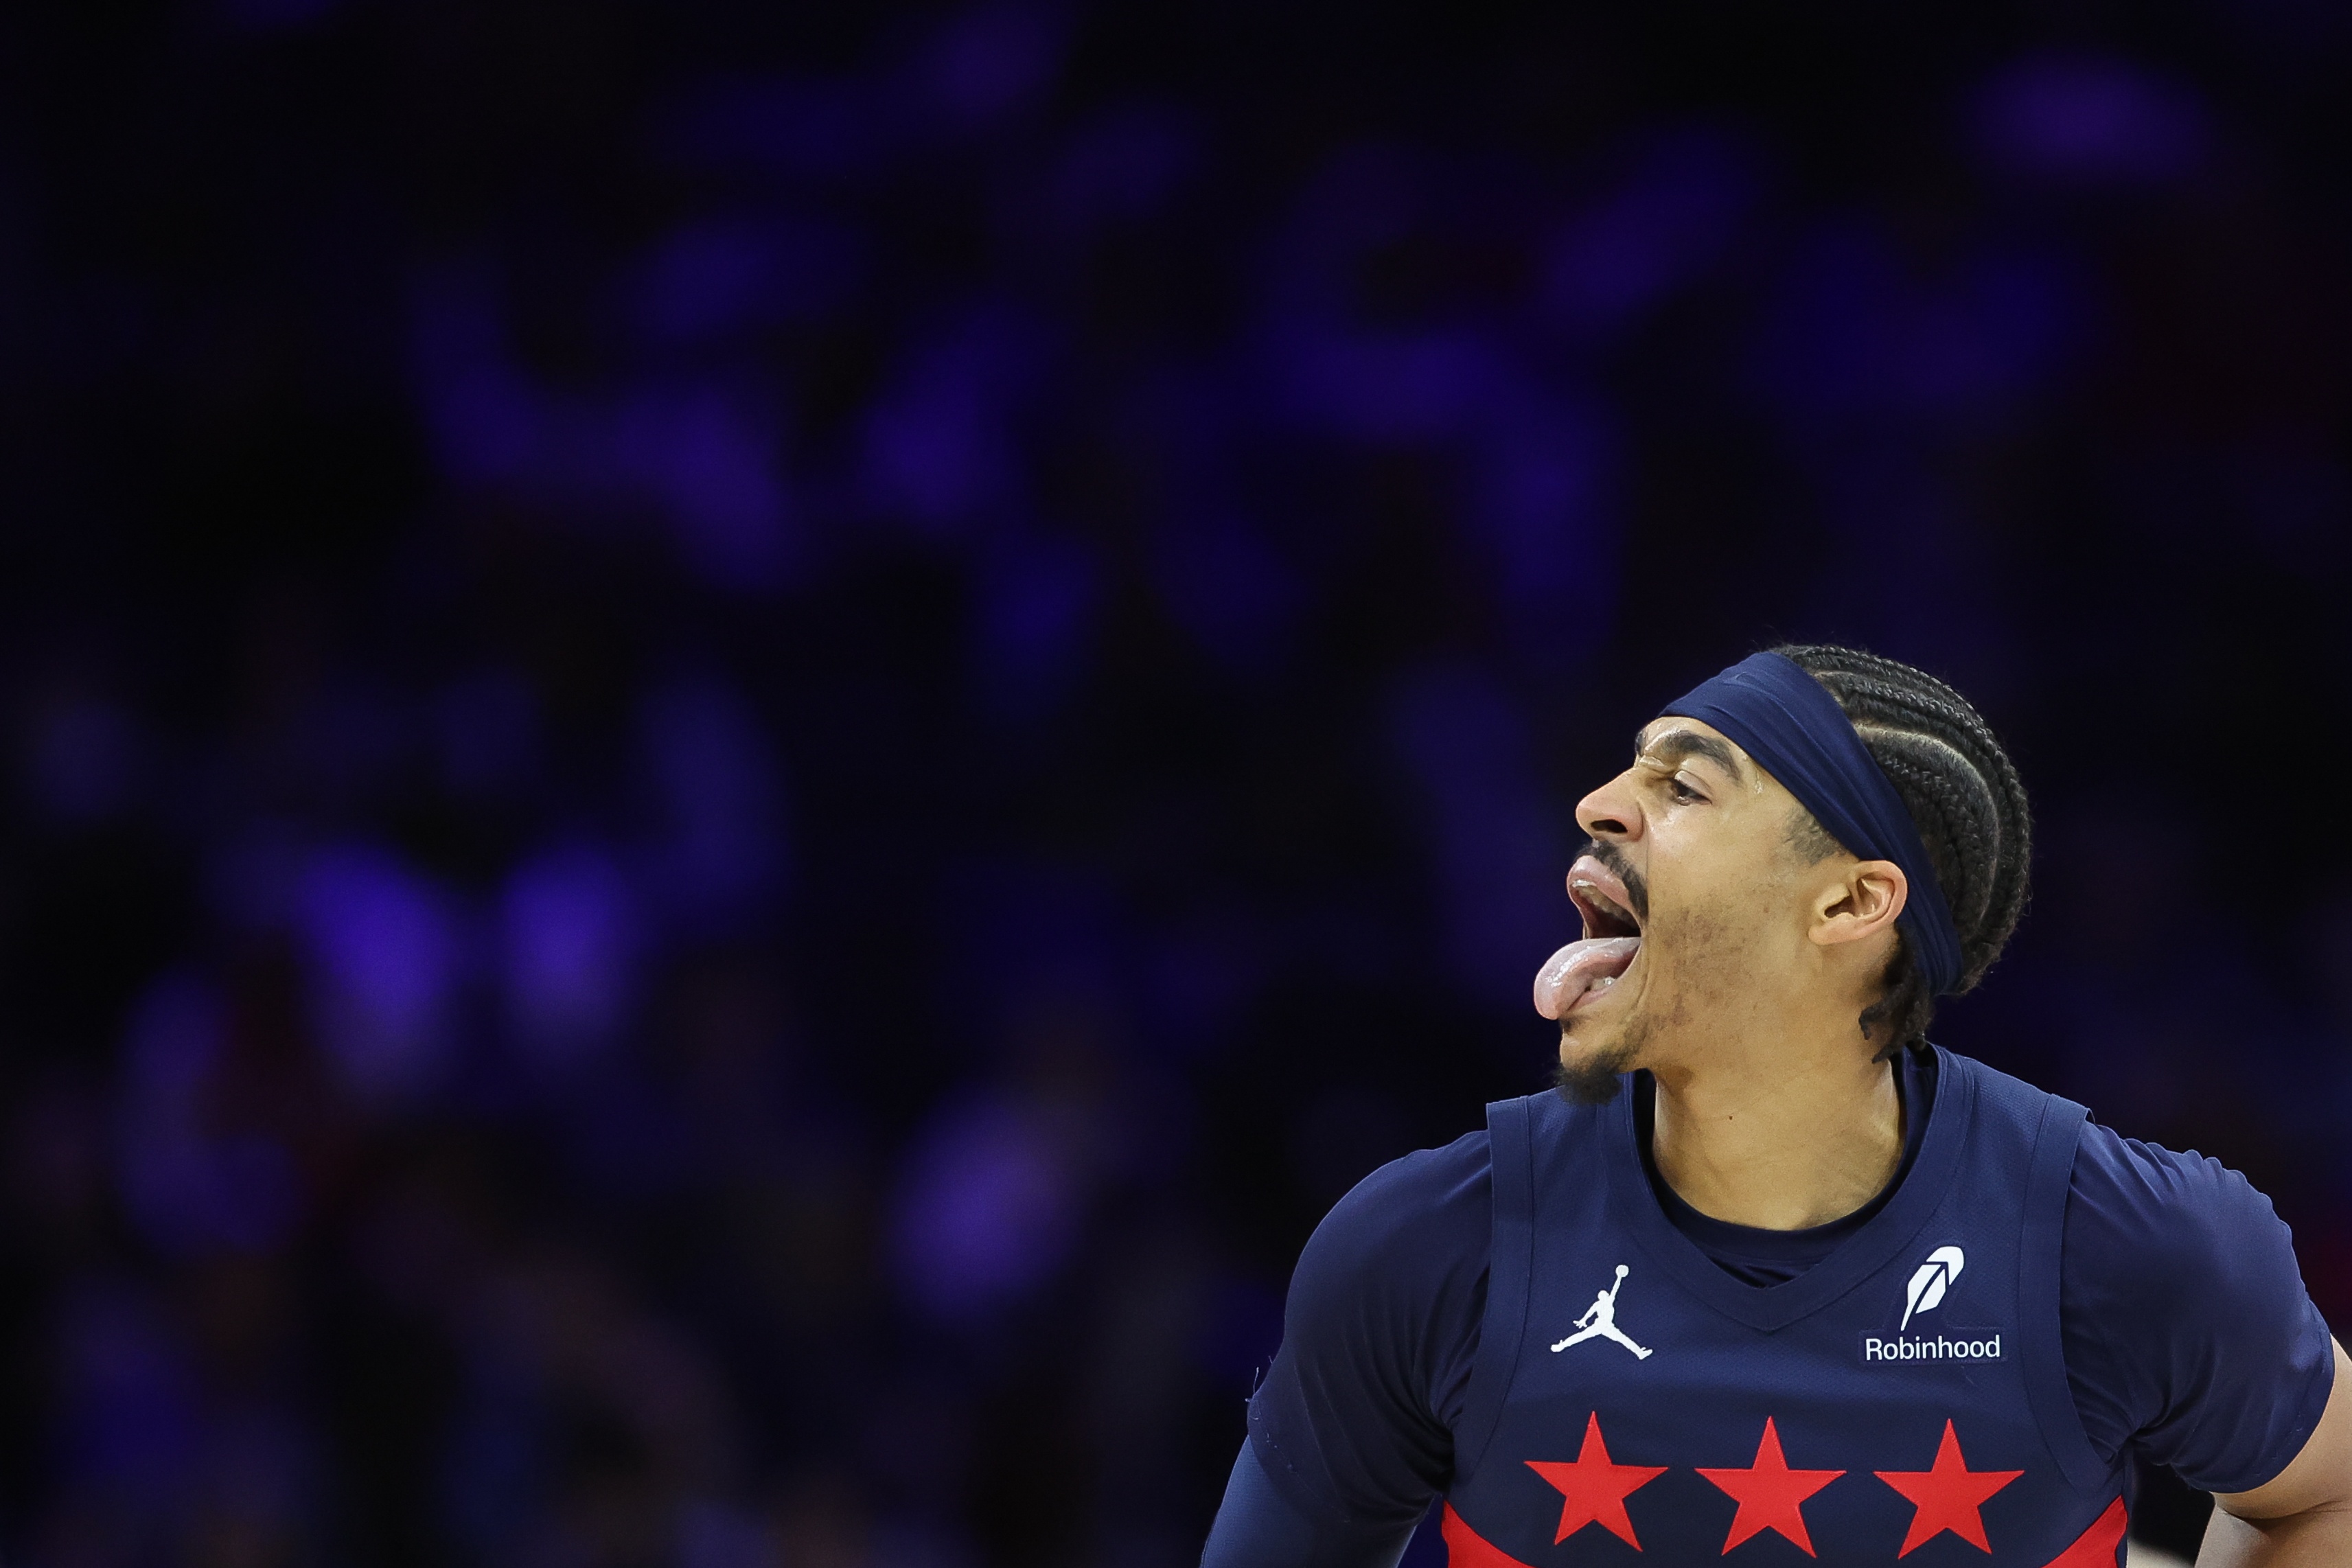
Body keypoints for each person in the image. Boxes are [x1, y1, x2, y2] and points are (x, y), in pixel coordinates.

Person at [1199, 646, 2351, 1567]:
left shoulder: (2124, 1244)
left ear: (1848, 904)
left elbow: (2327, 1498)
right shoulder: (1424, 1246)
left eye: (1682, 786)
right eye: (1627, 771)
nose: (1597, 804)